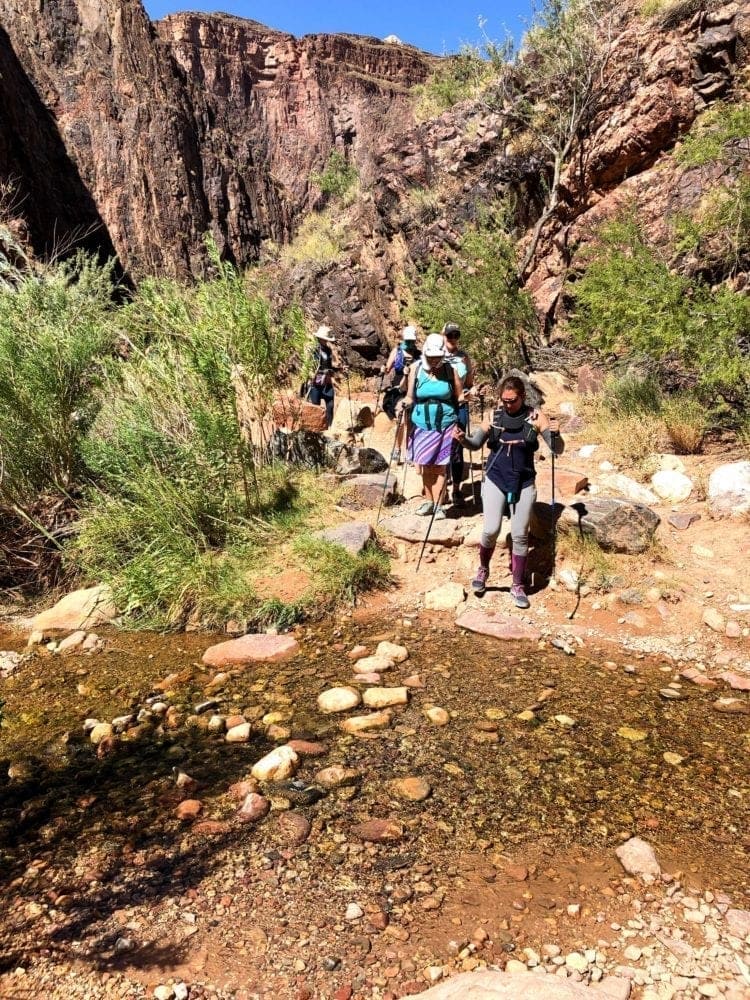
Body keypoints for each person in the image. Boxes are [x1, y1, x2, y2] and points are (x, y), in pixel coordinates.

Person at [453, 375, 563, 608]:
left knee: (520, 533)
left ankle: (517, 585)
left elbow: (556, 449)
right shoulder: (493, 416)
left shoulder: (535, 417)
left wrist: (556, 434)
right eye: (504, 400)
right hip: (495, 477)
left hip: (523, 481)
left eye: (512, 401)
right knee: (491, 529)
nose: (507, 404)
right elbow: (475, 444)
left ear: (522, 397)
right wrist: (463, 440)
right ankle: (483, 570)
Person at [401, 332, 463, 521]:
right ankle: (429, 501)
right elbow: (410, 396)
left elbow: (459, 396)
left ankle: (439, 505)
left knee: (441, 466)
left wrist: (466, 397)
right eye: (432, 357)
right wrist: (405, 403)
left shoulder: (450, 370)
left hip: (445, 424)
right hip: (422, 424)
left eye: (438, 357)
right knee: (425, 464)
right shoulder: (416, 369)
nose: (435, 360)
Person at [442, 322, 476, 506]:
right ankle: (441, 488)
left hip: (460, 405)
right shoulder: (436, 356)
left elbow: (469, 382)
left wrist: (473, 391)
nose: (453, 339)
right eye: (450, 335)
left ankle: (456, 489)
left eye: (456, 335)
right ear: (443, 335)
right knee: (441, 445)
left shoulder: (464, 357)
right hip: (442, 406)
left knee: (457, 444)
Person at [381, 325, 420, 462]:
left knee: (410, 421)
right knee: (400, 420)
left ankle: (408, 450)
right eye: (408, 340)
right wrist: (384, 369)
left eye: (412, 340)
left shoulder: (418, 355)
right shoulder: (397, 351)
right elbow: (387, 368)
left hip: (413, 390)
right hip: (398, 389)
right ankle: (397, 448)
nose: (410, 343)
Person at [306, 325, 337, 428]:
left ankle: (329, 427)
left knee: (330, 404)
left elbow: (329, 365)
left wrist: (336, 370)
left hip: (326, 382)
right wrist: (312, 375)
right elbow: (309, 366)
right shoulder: (313, 350)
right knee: (315, 407)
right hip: (316, 382)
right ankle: (316, 429)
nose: (326, 341)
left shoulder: (328, 350)